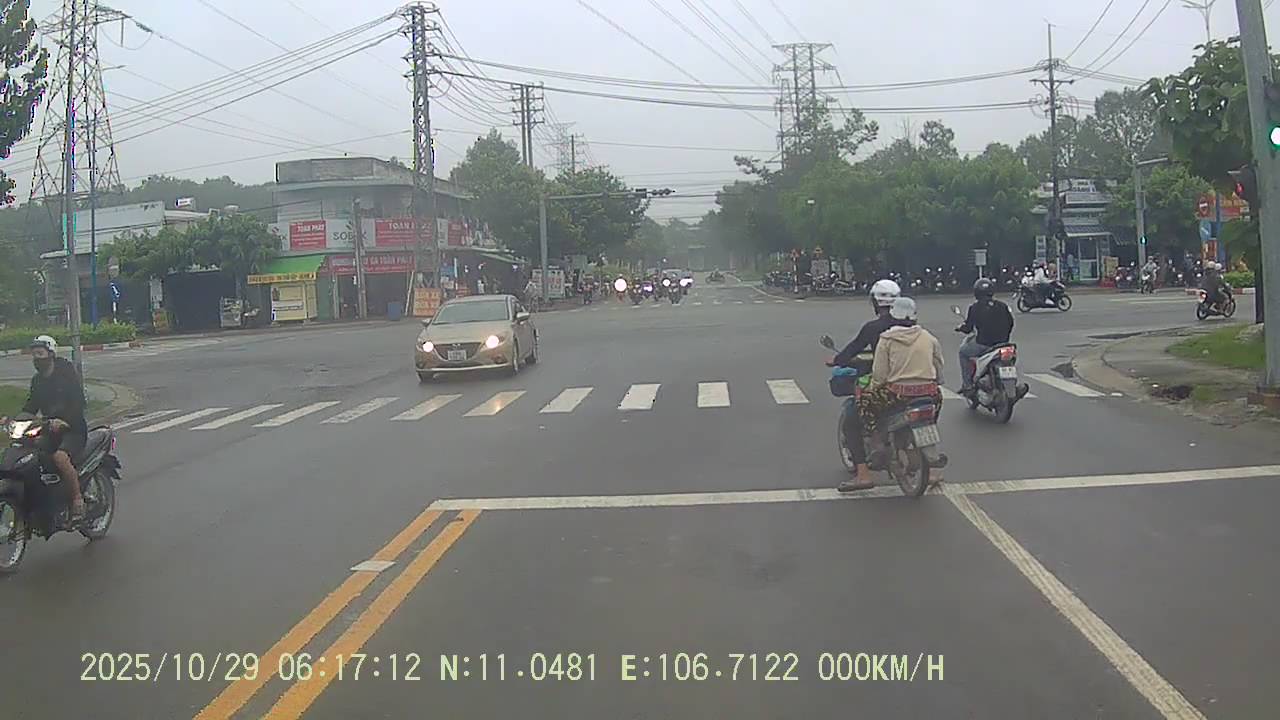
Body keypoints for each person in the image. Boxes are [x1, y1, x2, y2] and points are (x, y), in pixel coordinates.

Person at [842, 297, 944, 491]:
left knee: (859, 408)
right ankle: (930, 469)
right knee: (931, 413)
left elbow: (880, 375)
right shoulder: (928, 337)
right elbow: (939, 366)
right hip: (929, 394)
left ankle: (868, 464)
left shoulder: (887, 339)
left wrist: (872, 389)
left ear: (893, 316)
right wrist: (933, 383)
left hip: (897, 395)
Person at [21, 336, 87, 520]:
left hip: (73, 430)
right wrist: (13, 419)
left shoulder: (66, 376)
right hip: (49, 430)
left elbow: (79, 403)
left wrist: (64, 420)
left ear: (51, 354)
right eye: (34, 355)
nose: (37, 358)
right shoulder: (37, 381)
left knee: (60, 457)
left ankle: (77, 499)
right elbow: (31, 406)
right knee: (29, 456)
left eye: (40, 353)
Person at [956, 278, 1015, 395]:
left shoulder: (975, 307)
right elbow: (1011, 323)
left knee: (963, 352)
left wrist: (961, 328)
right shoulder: (1002, 306)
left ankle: (967, 385)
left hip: (984, 344)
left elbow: (968, 328)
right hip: (1003, 344)